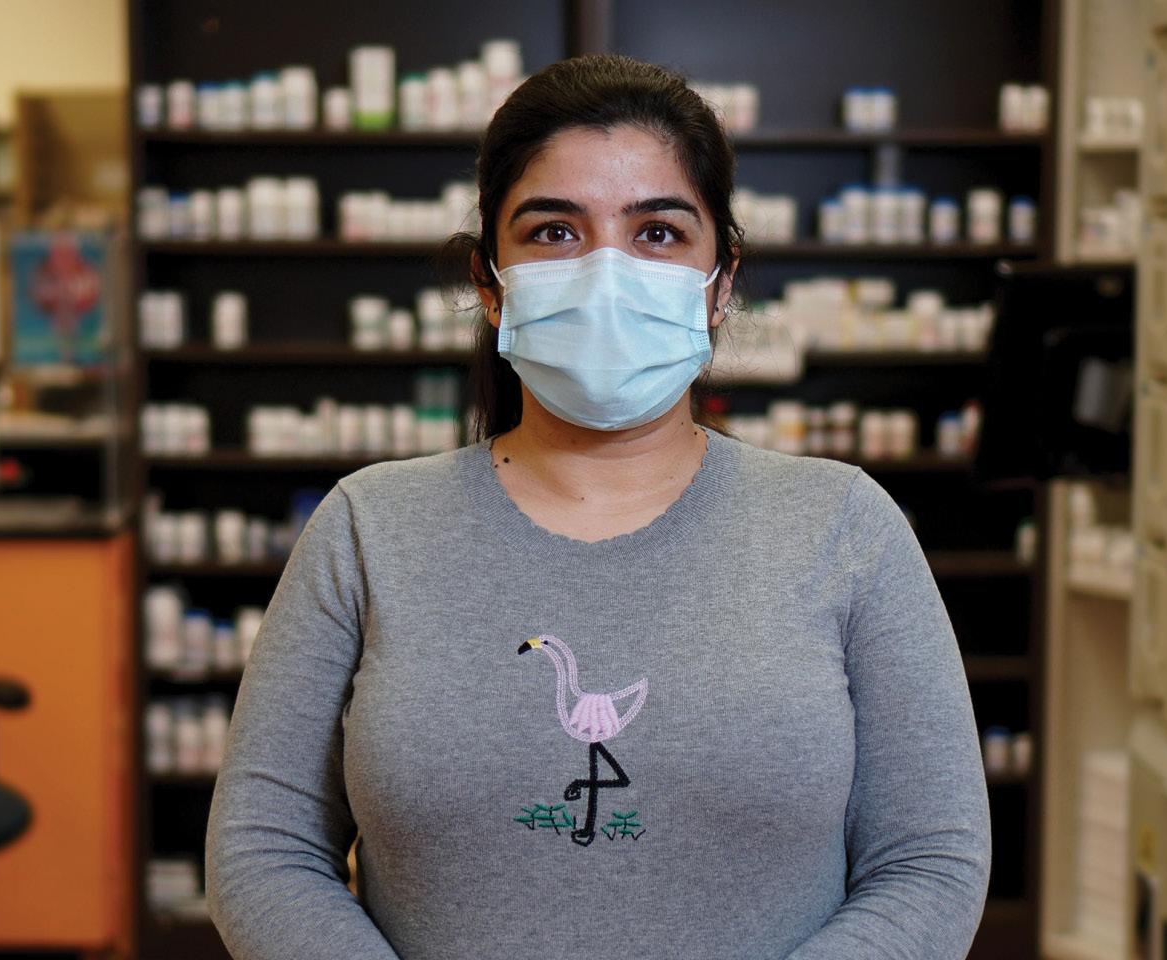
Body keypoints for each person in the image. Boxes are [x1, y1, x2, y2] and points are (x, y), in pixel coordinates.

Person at [206, 53, 990, 960]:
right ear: (490, 282)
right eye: (554, 233)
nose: (606, 275)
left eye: (657, 234)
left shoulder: (845, 527)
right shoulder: (367, 529)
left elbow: (931, 861)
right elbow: (262, 852)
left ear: (721, 281)